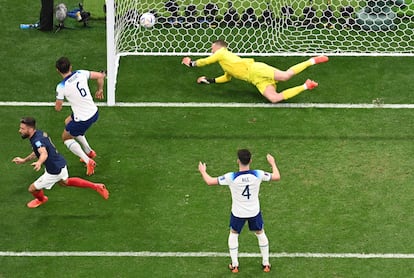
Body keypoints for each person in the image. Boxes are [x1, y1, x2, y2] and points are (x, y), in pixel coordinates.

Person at [198, 149, 281, 273]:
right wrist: (272, 163)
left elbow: (210, 181)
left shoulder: (231, 177)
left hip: (238, 213)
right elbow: (277, 177)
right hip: (254, 211)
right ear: (250, 161)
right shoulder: (258, 174)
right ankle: (266, 263)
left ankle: (235, 265)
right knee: (260, 233)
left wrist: (203, 171)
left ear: (238, 161)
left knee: (234, 234)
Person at [182, 39, 329, 103]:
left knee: (285, 76)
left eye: (212, 47)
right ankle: (306, 86)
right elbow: (227, 77)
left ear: (219, 46)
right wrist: (209, 80)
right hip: (256, 80)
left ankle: (312, 60)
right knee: (274, 99)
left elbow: (206, 61)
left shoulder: (221, 53)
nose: (211, 49)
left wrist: (191, 64)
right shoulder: (225, 62)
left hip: (256, 69)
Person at [12, 117, 109, 208]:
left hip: (54, 170)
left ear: (30, 129)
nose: (20, 131)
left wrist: (39, 162)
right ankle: (96, 186)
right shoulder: (40, 134)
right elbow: (37, 151)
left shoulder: (37, 141)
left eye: (22, 129)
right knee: (64, 182)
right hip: (60, 162)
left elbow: (43, 153)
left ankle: (41, 199)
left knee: (32, 189)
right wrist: (24, 160)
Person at [55, 57, 106, 176]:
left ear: (58, 70)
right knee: (68, 121)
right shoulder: (80, 73)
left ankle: (88, 161)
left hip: (83, 119)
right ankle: (89, 152)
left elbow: (58, 108)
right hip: (93, 112)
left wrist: (58, 102)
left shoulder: (61, 86)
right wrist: (100, 90)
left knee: (66, 138)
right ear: (70, 67)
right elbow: (100, 76)